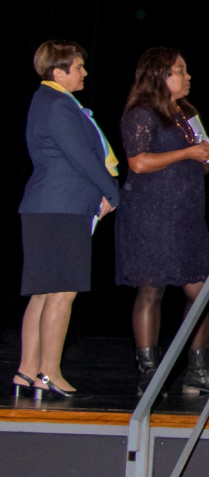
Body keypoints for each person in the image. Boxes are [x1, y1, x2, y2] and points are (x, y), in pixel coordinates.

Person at [16, 41, 120, 399]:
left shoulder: (46, 100)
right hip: (63, 208)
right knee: (61, 294)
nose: (84, 72)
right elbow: (83, 157)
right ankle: (49, 372)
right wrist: (113, 192)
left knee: (44, 293)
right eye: (78, 67)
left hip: (48, 206)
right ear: (58, 73)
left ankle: (27, 371)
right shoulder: (59, 104)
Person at [116, 48, 209, 395]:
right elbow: (138, 162)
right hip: (151, 214)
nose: (187, 76)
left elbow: (203, 162)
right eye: (180, 70)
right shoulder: (141, 113)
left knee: (202, 292)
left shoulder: (187, 113)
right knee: (151, 288)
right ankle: (150, 373)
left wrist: (205, 156)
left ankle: (198, 371)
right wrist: (189, 152)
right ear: (159, 75)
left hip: (186, 215)